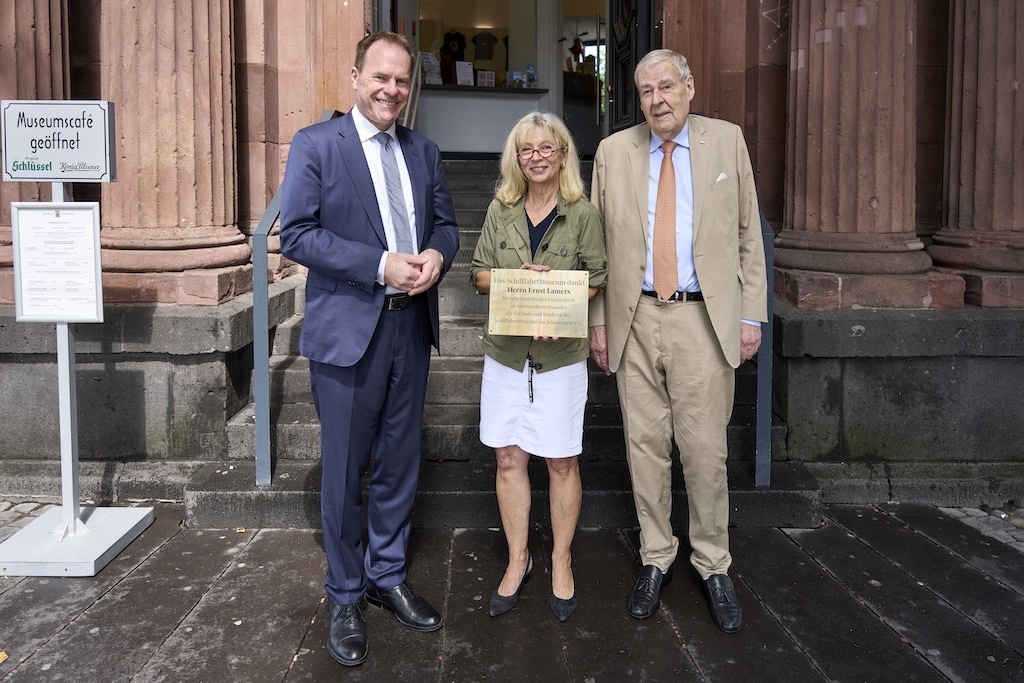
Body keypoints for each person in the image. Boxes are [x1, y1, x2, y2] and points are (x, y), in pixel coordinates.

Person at [279, 31, 459, 667]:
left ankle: (387, 577)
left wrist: (437, 254)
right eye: (380, 77)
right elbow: (296, 236)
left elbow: (446, 225)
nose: (391, 90)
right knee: (344, 469)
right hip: (349, 332)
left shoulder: (425, 151)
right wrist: (379, 264)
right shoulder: (317, 146)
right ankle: (346, 593)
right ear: (355, 77)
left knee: (398, 461)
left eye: (402, 81)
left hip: (410, 329)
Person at [587, 49, 767, 634]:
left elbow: (748, 238)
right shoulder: (614, 153)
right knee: (644, 447)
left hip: (702, 320)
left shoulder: (727, 141)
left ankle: (714, 563)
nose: (657, 100)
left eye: (666, 87)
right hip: (634, 317)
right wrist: (597, 320)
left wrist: (751, 317)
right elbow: (595, 248)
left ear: (689, 87)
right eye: (645, 91)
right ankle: (656, 556)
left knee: (705, 451)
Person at [470, 111, 607, 623]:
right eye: (527, 149)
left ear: (564, 154)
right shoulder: (500, 208)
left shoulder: (583, 213)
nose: (537, 157)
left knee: (561, 461)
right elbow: (479, 274)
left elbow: (596, 276)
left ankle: (561, 559)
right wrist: (516, 279)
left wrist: (561, 299)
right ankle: (517, 559)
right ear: (517, 157)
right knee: (508, 458)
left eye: (547, 148)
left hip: (559, 358)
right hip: (507, 353)